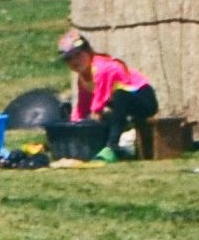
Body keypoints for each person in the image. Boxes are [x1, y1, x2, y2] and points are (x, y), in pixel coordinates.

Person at [55, 29, 160, 159]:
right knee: (106, 110)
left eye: (78, 55)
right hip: (120, 104)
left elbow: (100, 99)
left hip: (142, 99)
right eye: (69, 59)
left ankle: (112, 146)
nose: (74, 61)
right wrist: (74, 125)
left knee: (119, 96)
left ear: (88, 52)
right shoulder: (82, 77)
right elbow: (83, 104)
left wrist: (94, 114)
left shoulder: (102, 68)